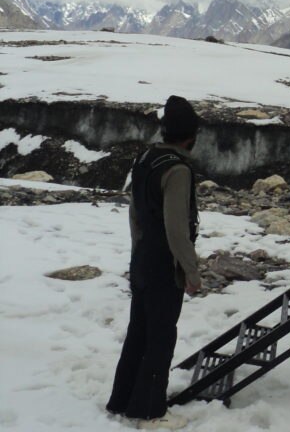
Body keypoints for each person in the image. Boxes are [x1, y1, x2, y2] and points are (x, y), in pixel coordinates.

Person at [107, 95, 202, 430]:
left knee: (139, 331)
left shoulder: (146, 158)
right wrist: (190, 270)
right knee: (161, 335)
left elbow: (135, 213)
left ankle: (122, 398)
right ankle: (148, 408)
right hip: (163, 263)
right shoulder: (177, 170)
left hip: (143, 256)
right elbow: (177, 227)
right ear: (190, 136)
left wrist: (137, 252)